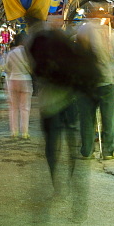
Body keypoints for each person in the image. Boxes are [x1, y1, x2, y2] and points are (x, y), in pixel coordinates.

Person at [28, 15, 93, 189]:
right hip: (68, 98)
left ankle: (54, 177)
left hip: (49, 103)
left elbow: (36, 70)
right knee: (71, 139)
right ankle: (72, 174)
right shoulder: (65, 43)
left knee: (52, 143)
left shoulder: (39, 43)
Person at [76, 2, 114, 160]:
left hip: (86, 81)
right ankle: (107, 151)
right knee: (108, 118)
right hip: (106, 79)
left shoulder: (84, 29)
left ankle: (87, 151)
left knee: (87, 118)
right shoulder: (110, 32)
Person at [2, 32, 32, 139]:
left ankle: (14, 132)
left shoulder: (11, 53)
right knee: (25, 108)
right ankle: (25, 132)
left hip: (13, 80)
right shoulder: (28, 53)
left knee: (13, 108)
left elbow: (7, 69)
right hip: (25, 80)